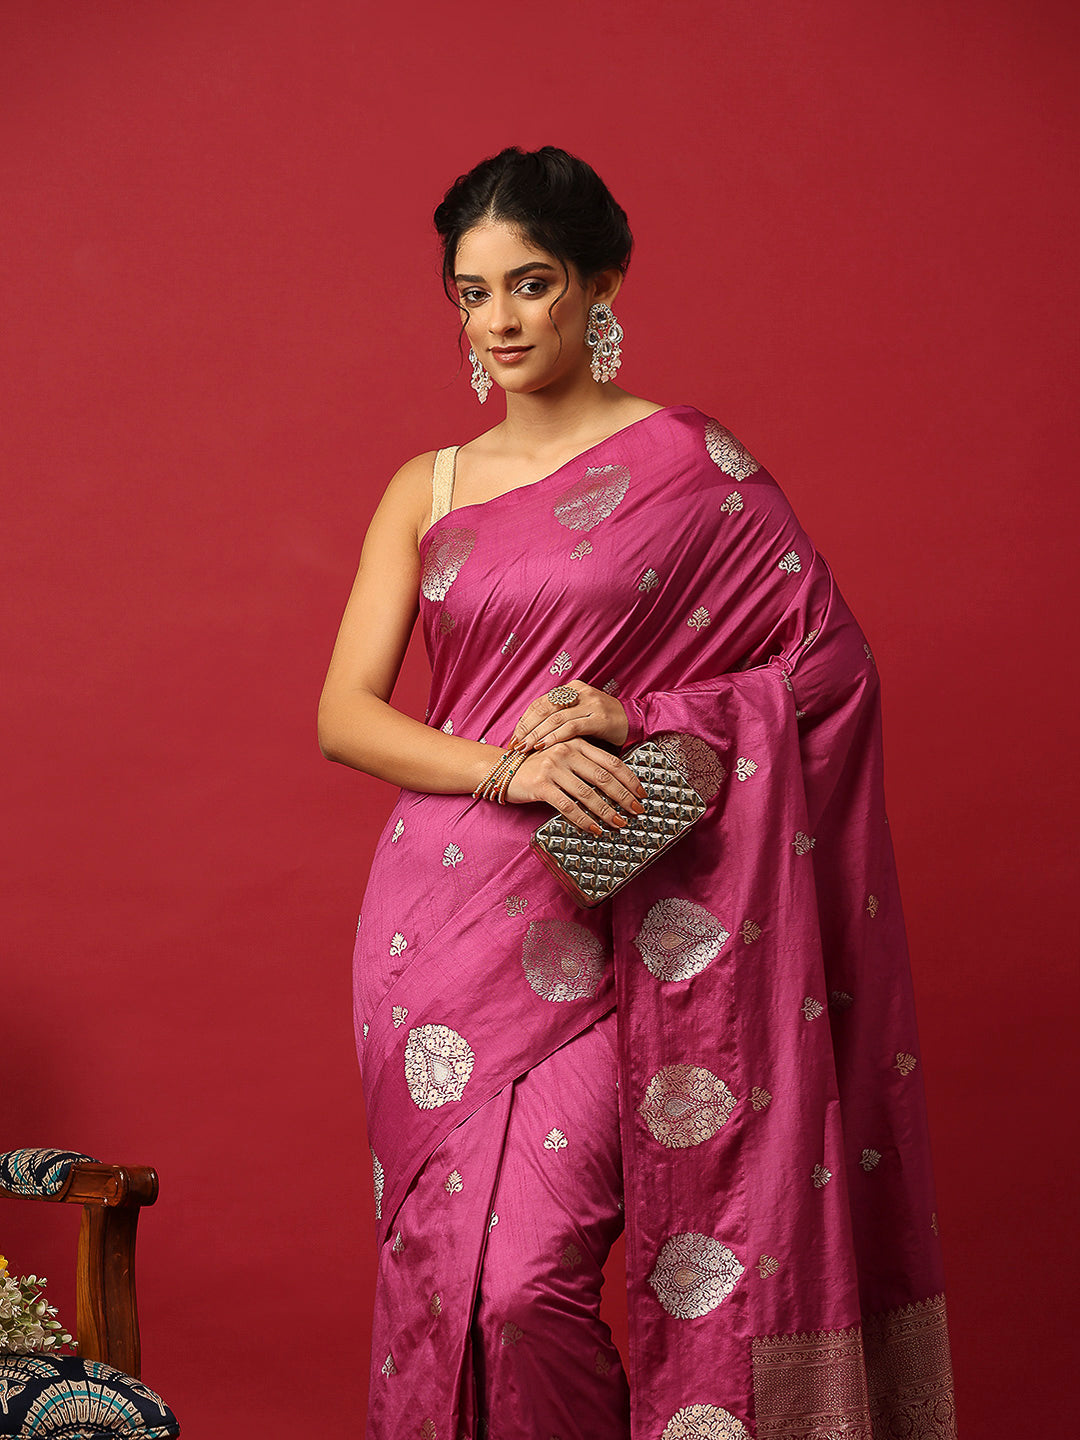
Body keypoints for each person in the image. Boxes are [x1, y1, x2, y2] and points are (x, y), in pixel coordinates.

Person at [319, 146, 957, 1440]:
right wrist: (508, 766)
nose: (499, 322)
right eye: (472, 294)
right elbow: (346, 714)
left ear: (602, 283)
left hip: (625, 914)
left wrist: (645, 715)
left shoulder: (692, 465)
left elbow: (829, 669)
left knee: (523, 1287)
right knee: (450, 1280)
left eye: (531, 284)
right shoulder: (425, 487)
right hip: (440, 928)